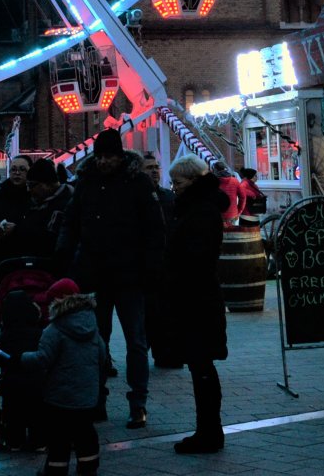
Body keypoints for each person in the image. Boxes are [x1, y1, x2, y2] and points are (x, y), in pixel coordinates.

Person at [55, 129, 165, 428]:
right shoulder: (87, 182)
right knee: (95, 341)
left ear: (119, 156)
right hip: (95, 273)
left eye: (109, 156)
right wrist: (66, 255)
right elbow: (72, 220)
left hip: (130, 274)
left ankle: (138, 402)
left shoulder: (137, 182)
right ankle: (97, 399)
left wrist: (151, 268)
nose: (104, 162)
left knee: (136, 342)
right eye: (101, 156)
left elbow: (155, 229)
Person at [156, 155, 228, 454]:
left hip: (196, 297)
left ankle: (209, 432)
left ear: (193, 181)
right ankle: (208, 430)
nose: (174, 188)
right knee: (201, 365)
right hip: (197, 296)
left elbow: (195, 257)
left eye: (178, 182)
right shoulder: (198, 207)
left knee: (201, 365)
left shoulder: (200, 211)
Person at [16, 277, 108, 476]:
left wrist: (22, 358)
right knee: (86, 433)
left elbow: (43, 359)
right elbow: (102, 355)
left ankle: (56, 470)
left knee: (59, 436)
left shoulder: (55, 329)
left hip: (60, 397)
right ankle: (88, 467)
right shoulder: (92, 325)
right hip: (87, 395)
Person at [0, 155, 38, 275]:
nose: (17, 173)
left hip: (32, 262)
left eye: (22, 169)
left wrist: (18, 229)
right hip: (4, 261)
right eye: (13, 169)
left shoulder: (37, 196)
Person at [16, 158, 75, 260]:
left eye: (32, 185)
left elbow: (47, 241)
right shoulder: (38, 203)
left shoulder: (65, 206)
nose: (29, 190)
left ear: (48, 184)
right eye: (27, 185)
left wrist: (17, 231)